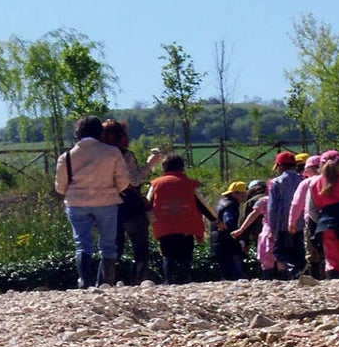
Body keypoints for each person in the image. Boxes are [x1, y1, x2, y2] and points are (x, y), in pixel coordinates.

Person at [54, 115, 129, 288]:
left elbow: (60, 186)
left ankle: (84, 281)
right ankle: (105, 282)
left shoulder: (66, 156)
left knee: (82, 243)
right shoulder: (112, 152)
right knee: (108, 244)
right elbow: (123, 181)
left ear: (77, 132)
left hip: (76, 203)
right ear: (99, 132)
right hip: (106, 201)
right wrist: (113, 190)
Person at [100, 120, 162, 285]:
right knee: (140, 247)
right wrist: (150, 164)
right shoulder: (125, 155)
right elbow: (134, 180)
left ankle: (104, 282)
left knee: (112, 249)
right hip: (130, 205)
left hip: (107, 205)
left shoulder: (98, 156)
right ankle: (139, 281)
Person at [147, 155, 218, 284]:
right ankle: (186, 280)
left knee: (167, 255)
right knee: (185, 255)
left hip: (164, 226)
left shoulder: (156, 184)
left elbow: (147, 204)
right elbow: (203, 204)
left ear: (164, 168)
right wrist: (215, 219)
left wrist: (148, 222)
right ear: (182, 167)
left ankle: (169, 281)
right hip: (186, 225)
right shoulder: (190, 184)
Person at [264, 151, 305, 279]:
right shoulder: (303, 180)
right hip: (300, 223)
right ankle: (299, 272)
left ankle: (292, 271)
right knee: (298, 251)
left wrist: (272, 228)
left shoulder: (276, 182)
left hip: (282, 224)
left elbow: (272, 207)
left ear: (280, 166)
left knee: (280, 252)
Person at [213, 181, 249, 280]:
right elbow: (229, 222)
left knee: (225, 273)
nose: (245, 196)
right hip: (227, 242)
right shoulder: (231, 206)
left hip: (219, 241)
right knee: (234, 273)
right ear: (234, 193)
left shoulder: (221, 203)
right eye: (243, 194)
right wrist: (239, 237)